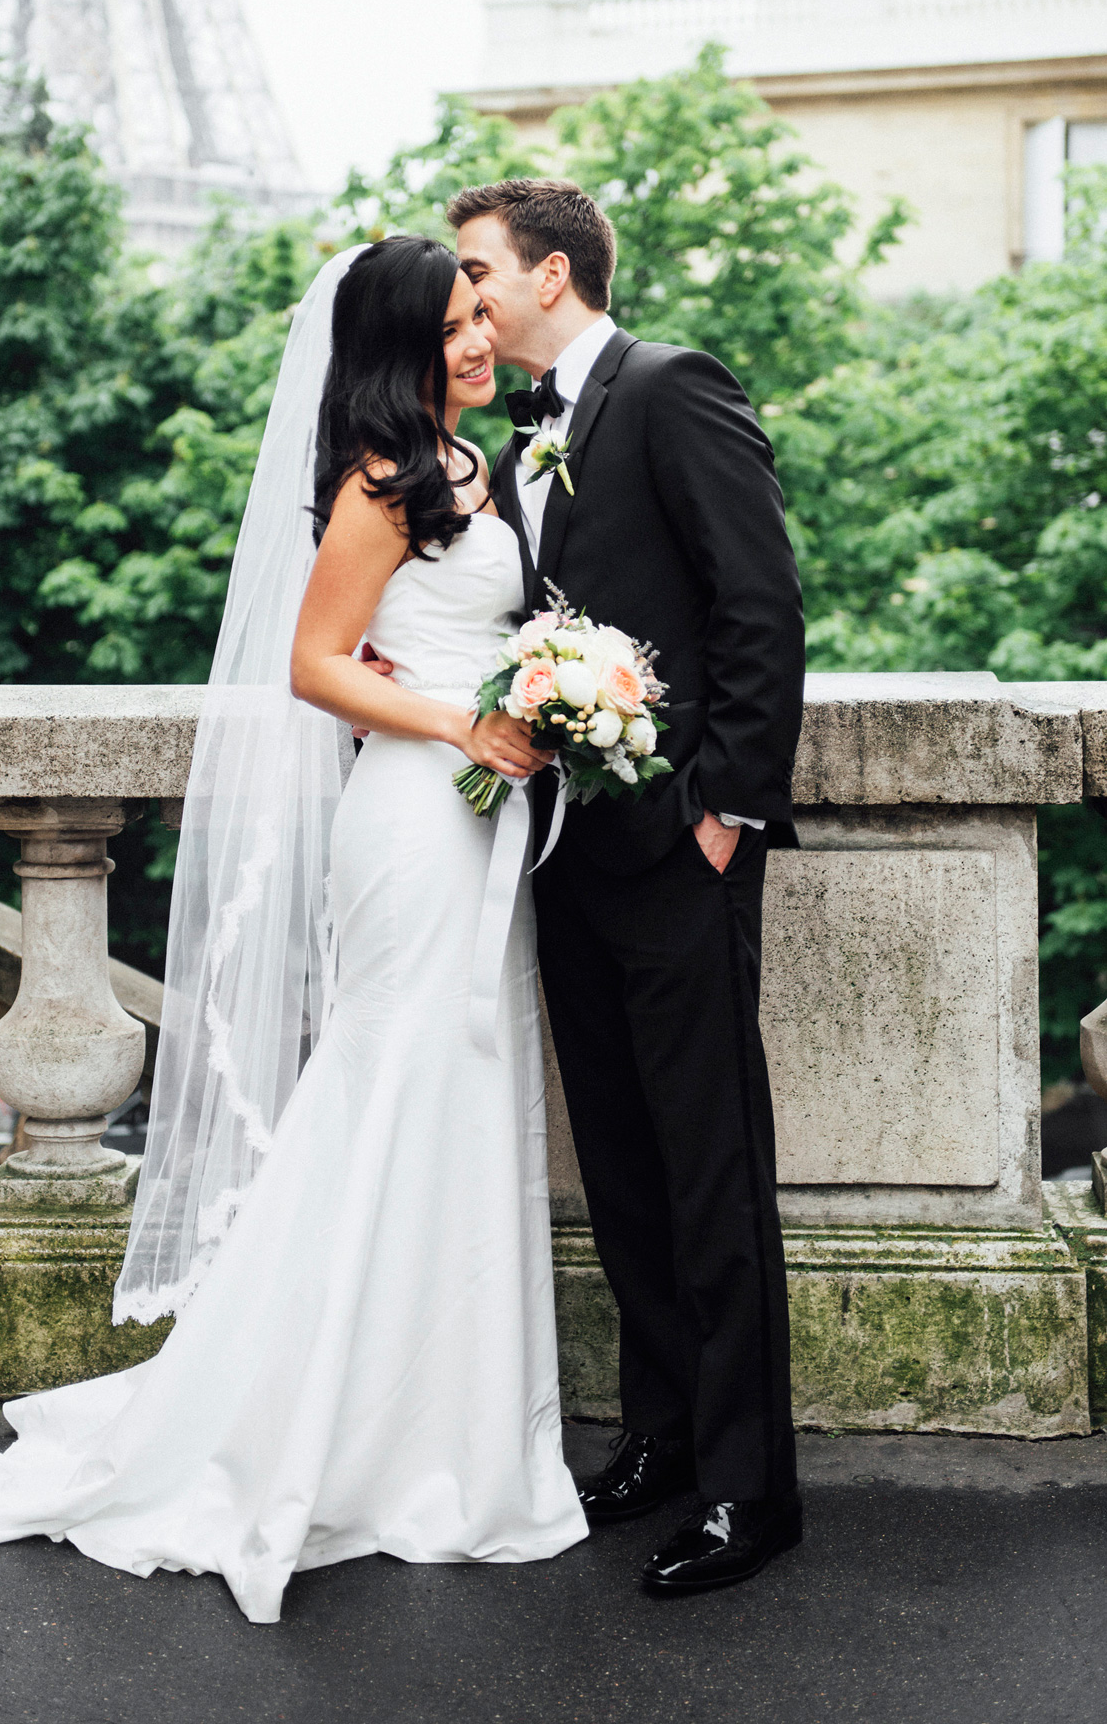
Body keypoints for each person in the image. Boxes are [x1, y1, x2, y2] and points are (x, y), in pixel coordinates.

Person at [0, 237, 588, 1623]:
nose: (481, 340)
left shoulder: (475, 473)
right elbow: (312, 666)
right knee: (395, 1088)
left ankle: (452, 1431)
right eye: (456, 324)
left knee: (465, 1101)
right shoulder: (376, 483)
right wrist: (462, 720)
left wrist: (548, 689)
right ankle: (321, 1428)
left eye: (485, 315)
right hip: (415, 822)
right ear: (396, 348)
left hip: (480, 821)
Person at [450, 177, 806, 1595]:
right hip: (560, 854)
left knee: (710, 1173)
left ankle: (749, 1492)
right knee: (624, 1171)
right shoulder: (516, 437)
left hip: (675, 851)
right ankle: (659, 1438)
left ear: (550, 273)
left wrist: (724, 814)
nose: (464, 298)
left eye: (478, 271)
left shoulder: (670, 388)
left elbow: (757, 601)